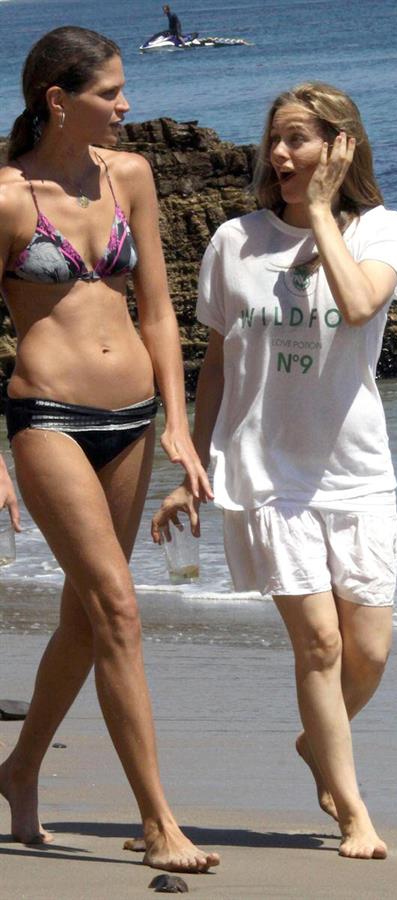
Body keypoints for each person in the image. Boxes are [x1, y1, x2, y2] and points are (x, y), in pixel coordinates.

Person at [152, 82, 397, 859]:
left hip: (358, 469)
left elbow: (361, 304)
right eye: (275, 138)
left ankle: (317, 744)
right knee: (321, 648)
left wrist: (327, 215)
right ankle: (354, 812)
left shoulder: (383, 230)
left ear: (341, 147)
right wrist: (193, 457)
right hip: (267, 474)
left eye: (298, 138)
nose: (279, 154)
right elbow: (218, 363)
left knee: (367, 651)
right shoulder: (235, 240)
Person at [0, 26, 219, 873]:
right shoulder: (11, 199)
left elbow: (158, 308)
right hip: (48, 418)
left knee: (87, 622)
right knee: (119, 611)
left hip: (132, 420)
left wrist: (176, 419)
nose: (129, 107)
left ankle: (18, 770)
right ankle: (159, 820)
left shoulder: (132, 177)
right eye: (111, 93)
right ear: (60, 99)